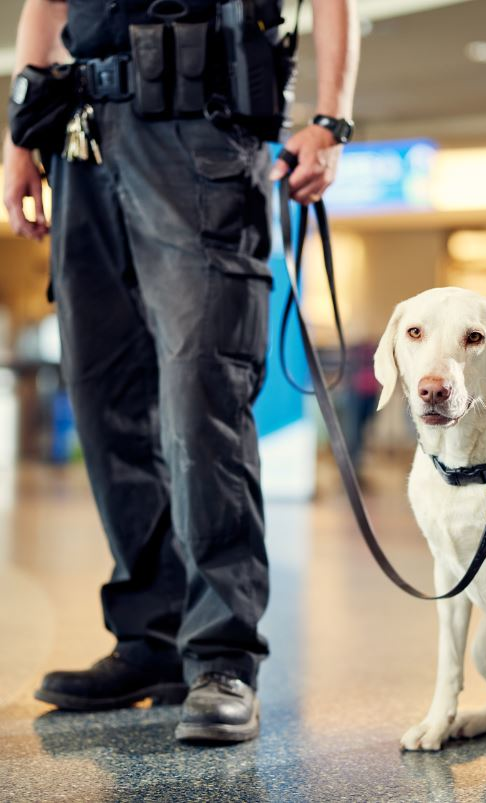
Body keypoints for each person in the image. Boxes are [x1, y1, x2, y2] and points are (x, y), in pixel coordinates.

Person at [3, 0, 359, 744]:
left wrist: (332, 119)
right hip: (84, 132)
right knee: (107, 397)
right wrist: (20, 136)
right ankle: (150, 639)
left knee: (204, 394)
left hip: (202, 130)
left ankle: (223, 654)